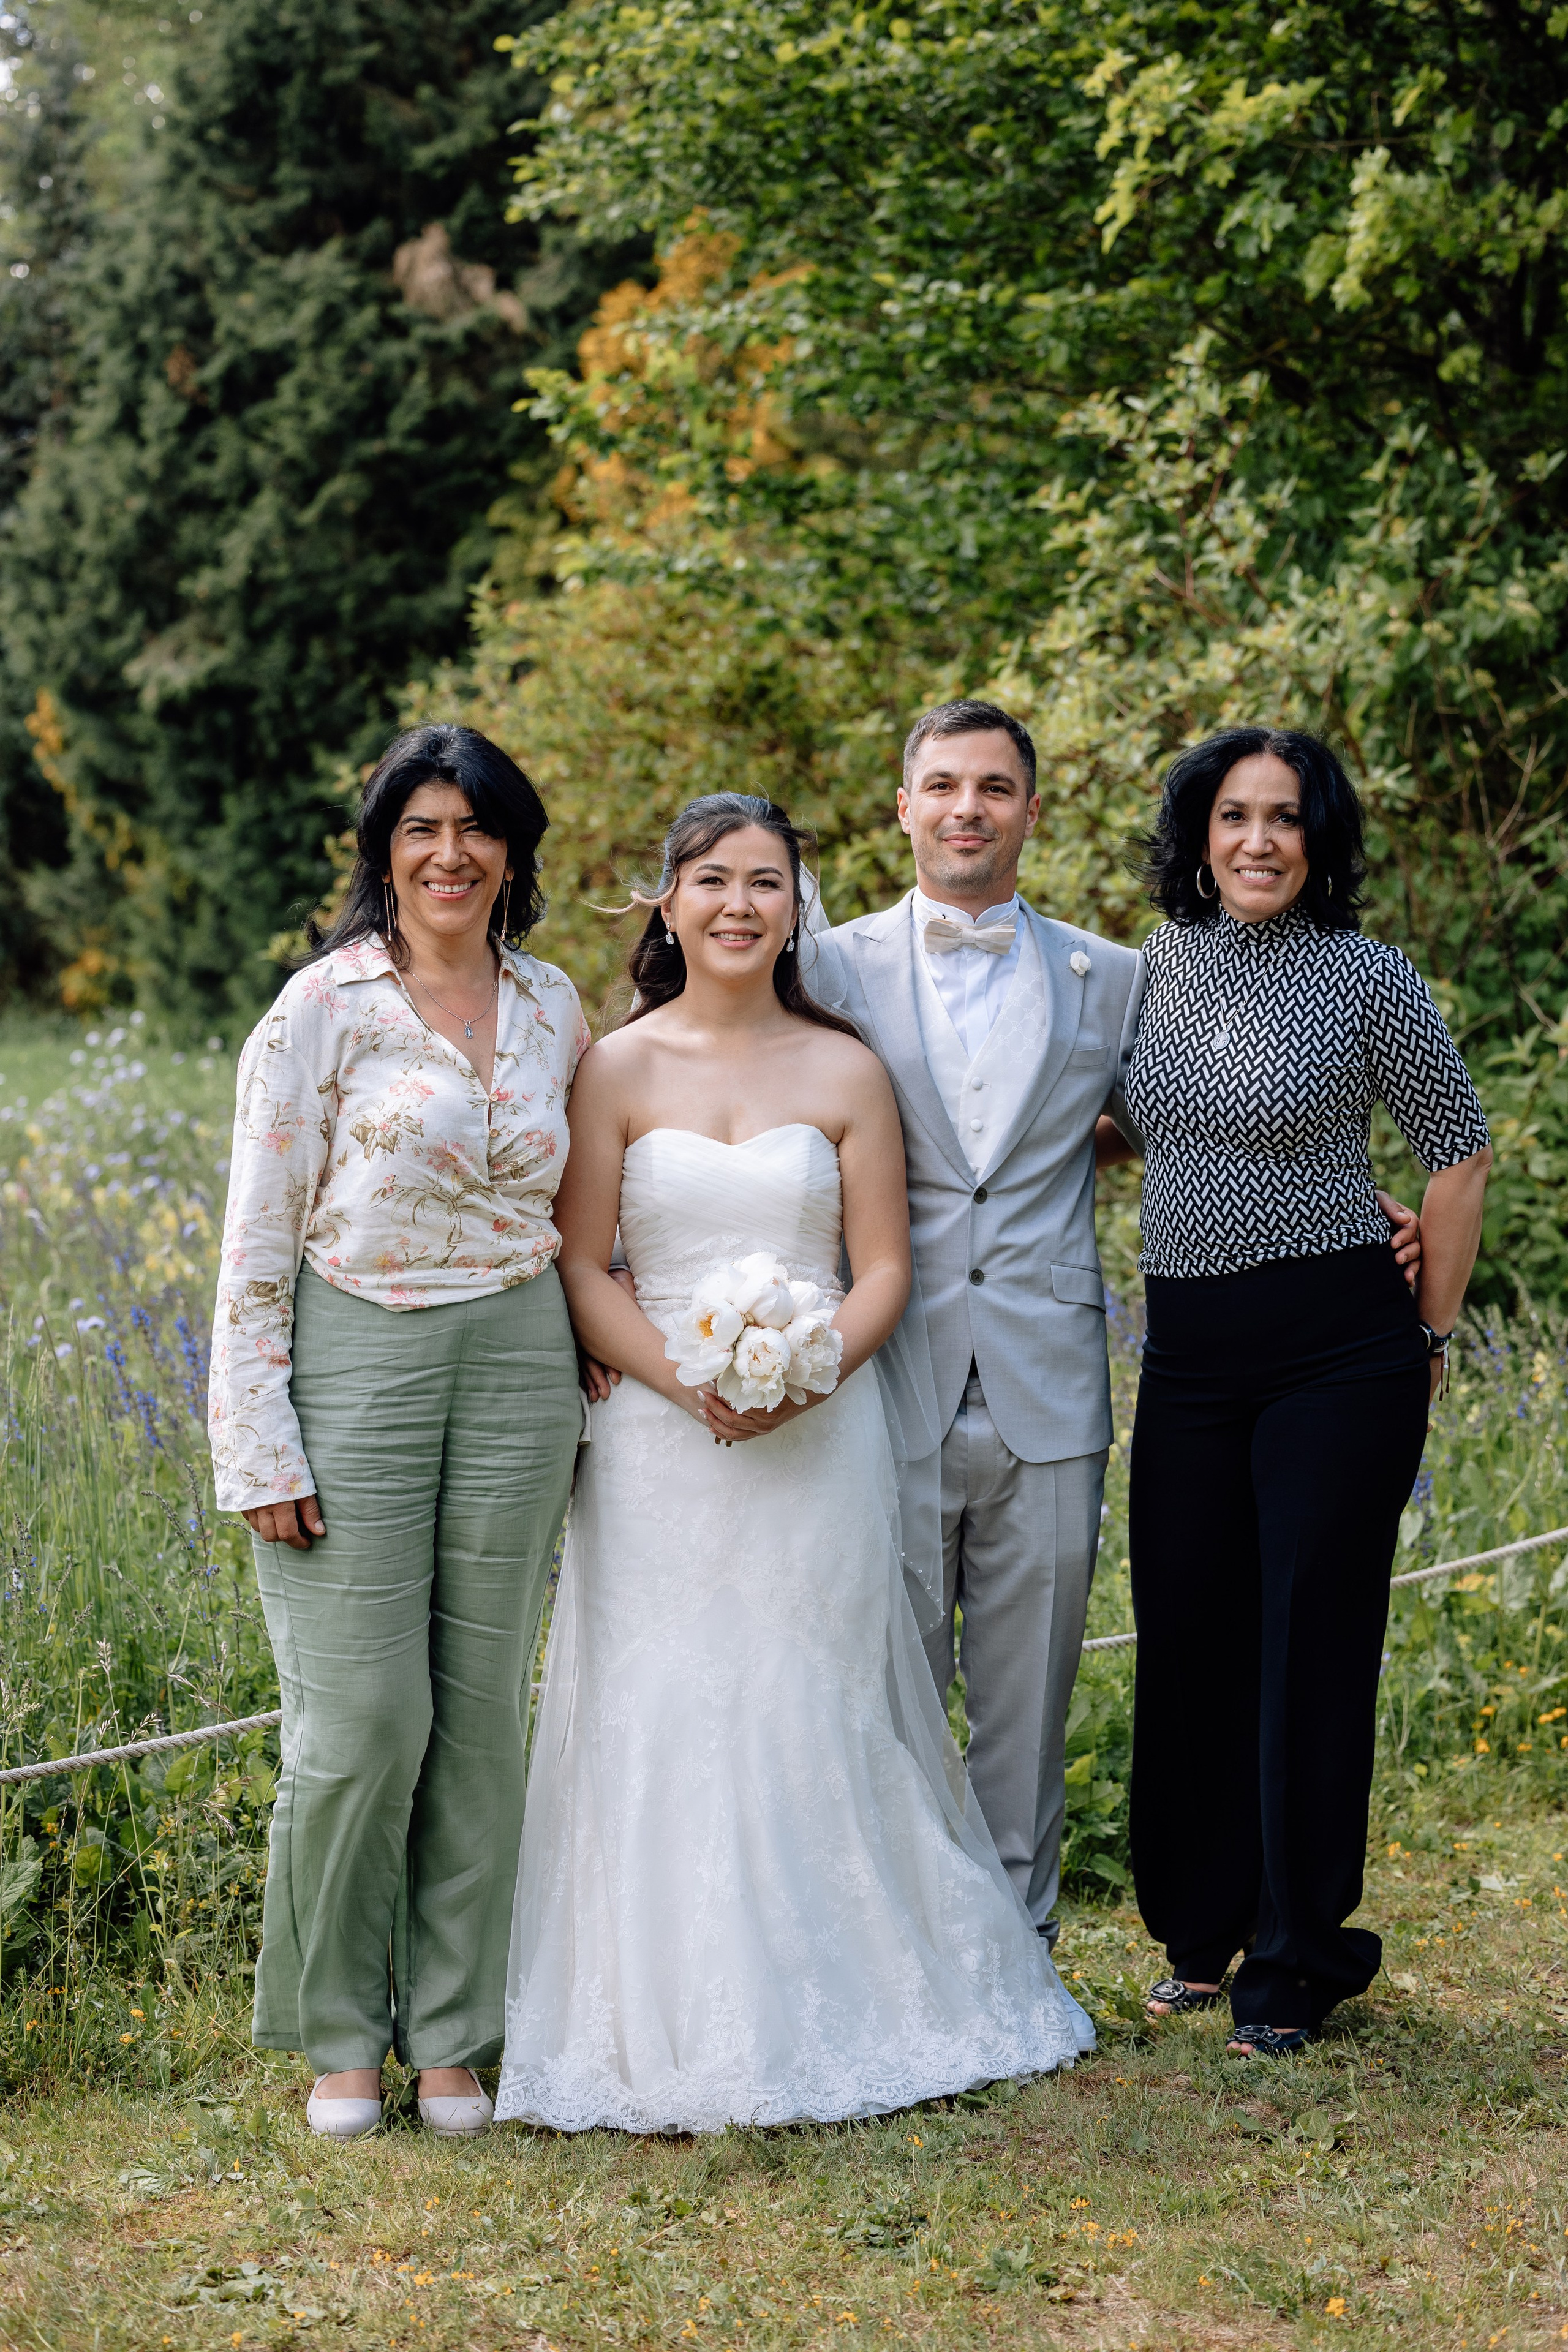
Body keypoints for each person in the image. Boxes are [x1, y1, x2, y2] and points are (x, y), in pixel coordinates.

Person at [495, 794, 1093, 2133]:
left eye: (765, 882)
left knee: (806, 1693)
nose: (738, 906)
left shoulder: (842, 1070)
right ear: (665, 901)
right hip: (655, 1444)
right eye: (710, 880)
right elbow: (582, 1266)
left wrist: (803, 1367)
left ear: (795, 906)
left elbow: (884, 1267)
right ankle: (650, 2013)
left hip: (819, 1432)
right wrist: (686, 1380)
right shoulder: (615, 1069)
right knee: (662, 1700)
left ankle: (862, 1992)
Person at [809, 699, 1428, 1945]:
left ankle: (1016, 1952)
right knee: (878, 1688)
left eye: (992, 787)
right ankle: (888, 1951)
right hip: (885, 1376)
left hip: (1049, 1382)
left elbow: (1179, 1110)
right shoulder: (822, 969)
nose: (965, 808)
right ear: (903, 805)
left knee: (1031, 1697)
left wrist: (1348, 1202)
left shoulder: (1118, 975)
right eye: (941, 786)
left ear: (1031, 813)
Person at [208, 723, 586, 2139]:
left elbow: (584, 1205)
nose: (450, 852)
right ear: (384, 848)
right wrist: (257, 1442)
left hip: (518, 1365)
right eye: (421, 827)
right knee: (364, 1722)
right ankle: (336, 2034)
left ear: (510, 850)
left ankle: (452, 2040)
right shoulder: (320, 1006)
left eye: (475, 828)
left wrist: (603, 1338)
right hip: (351, 1355)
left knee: (482, 1719)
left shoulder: (555, 1005)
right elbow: (254, 1237)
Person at [1116, 726, 1491, 2056]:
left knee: (1304, 1650)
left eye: (1283, 818)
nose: (1257, 841)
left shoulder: (1364, 977)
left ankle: (1295, 1955)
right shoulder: (1151, 970)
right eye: (1232, 816)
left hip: (1339, 1351)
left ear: (1318, 841)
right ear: (1197, 834)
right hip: (1186, 1356)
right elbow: (1129, 1124)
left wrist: (1428, 1328)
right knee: (1189, 1632)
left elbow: (1456, 1151)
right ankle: (1199, 1930)